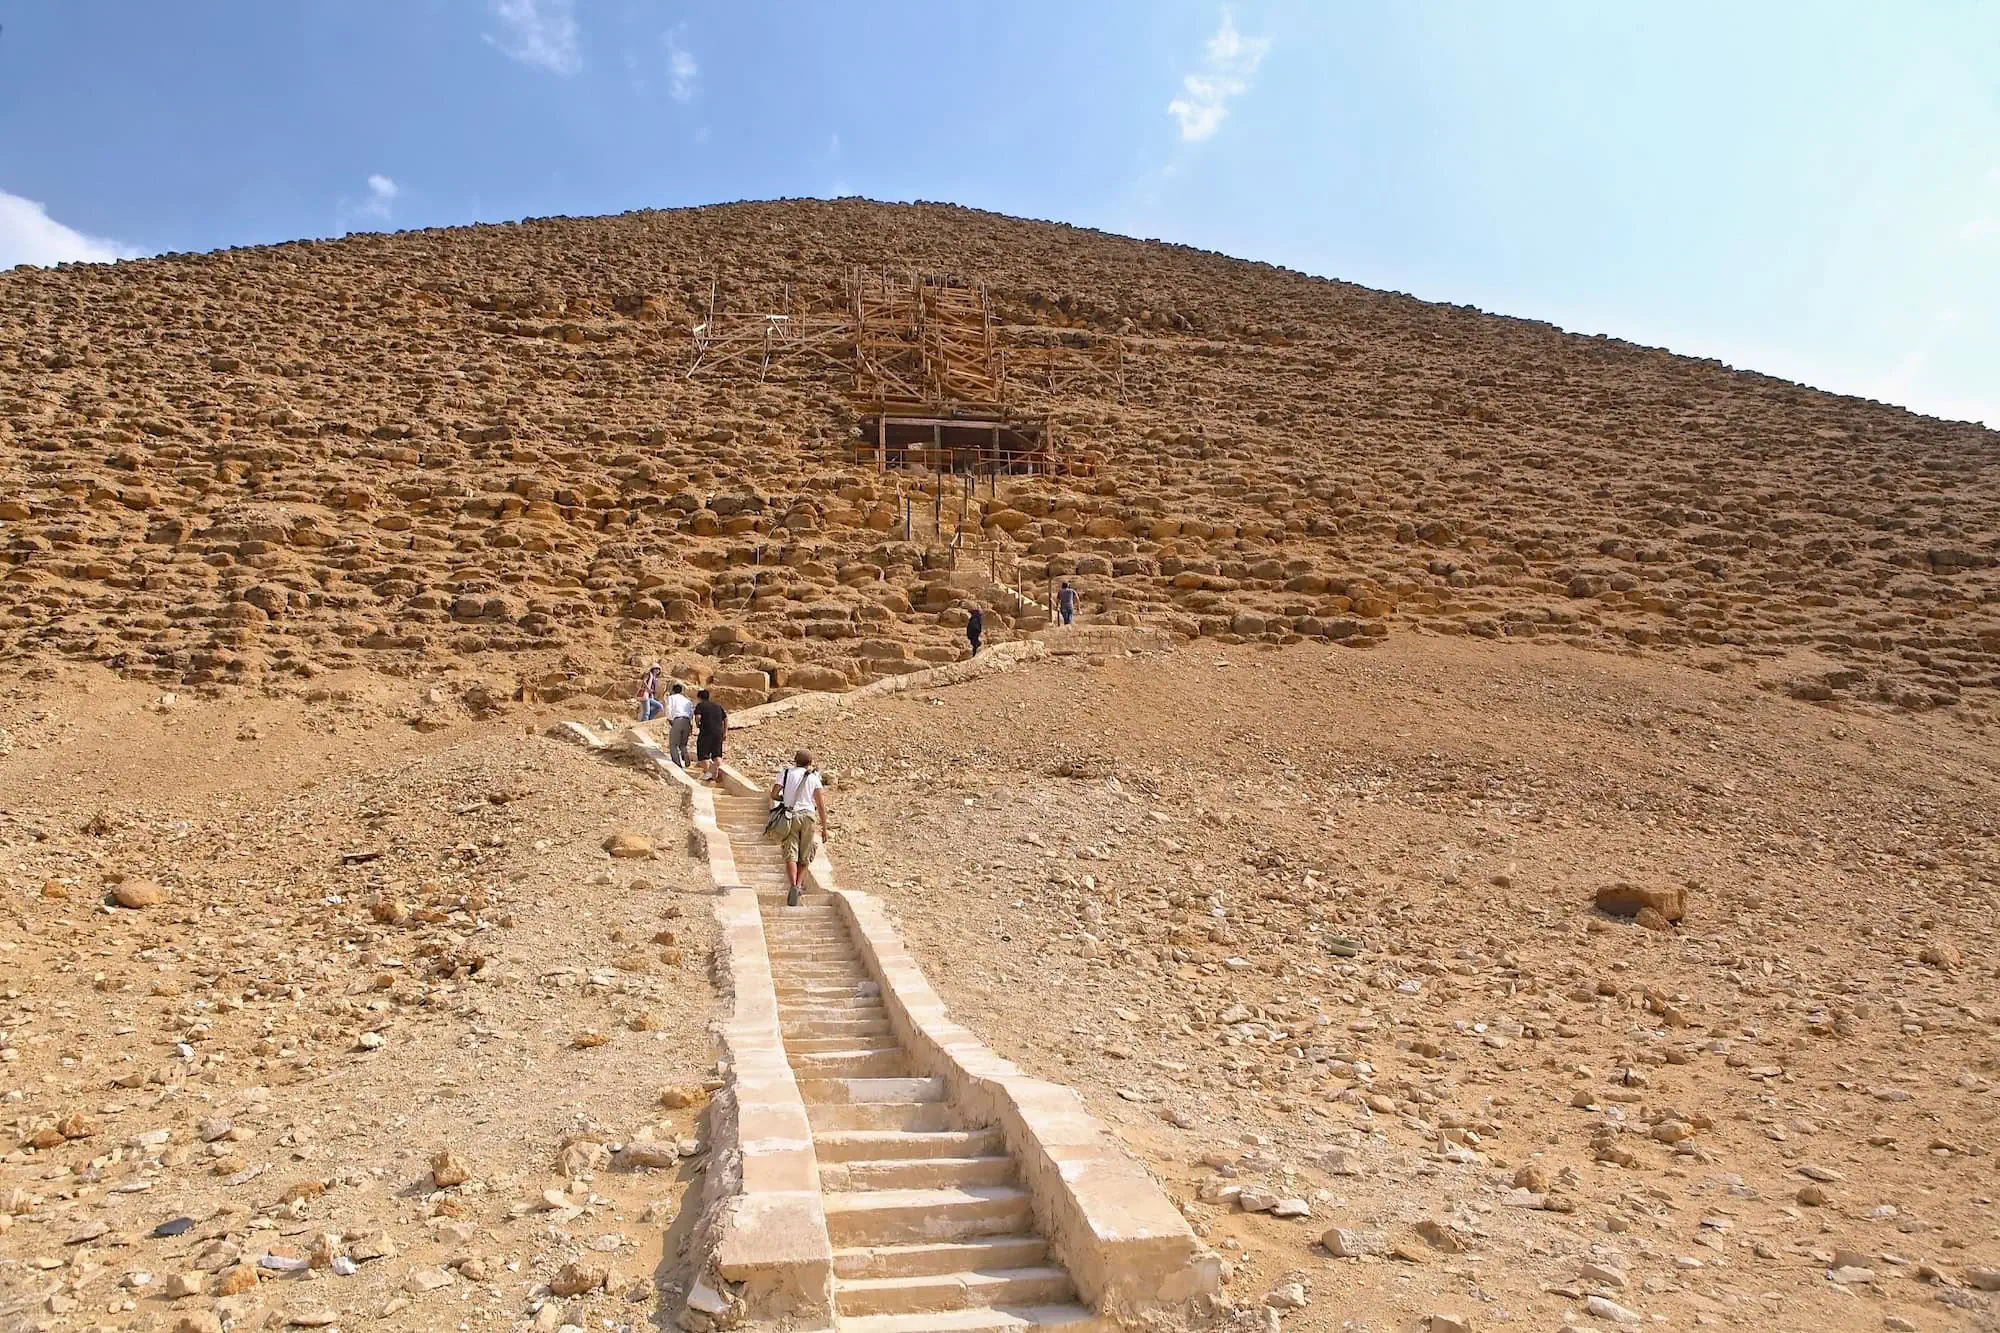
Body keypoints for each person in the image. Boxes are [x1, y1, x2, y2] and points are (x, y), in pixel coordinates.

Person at [770, 749, 828, 906]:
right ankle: (798, 884)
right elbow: (820, 804)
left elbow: (774, 794)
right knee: (806, 852)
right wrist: (824, 827)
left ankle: (793, 885)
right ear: (810, 763)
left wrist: (785, 799)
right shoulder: (813, 777)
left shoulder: (786, 773)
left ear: (795, 761)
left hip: (790, 816)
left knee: (790, 851)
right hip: (808, 816)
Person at [692, 687, 728, 782]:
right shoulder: (718, 706)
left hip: (706, 733)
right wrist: (725, 732)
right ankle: (714, 774)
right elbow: (725, 719)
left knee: (703, 756)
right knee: (717, 756)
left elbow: (698, 717)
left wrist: (697, 724)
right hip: (718, 733)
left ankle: (709, 774)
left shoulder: (700, 705)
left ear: (699, 698)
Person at [664, 682, 695, 767]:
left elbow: (668, 708)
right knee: (683, 744)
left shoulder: (671, 698)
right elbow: (691, 712)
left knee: (673, 744)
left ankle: (677, 763)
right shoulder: (687, 700)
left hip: (677, 720)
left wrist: (670, 719)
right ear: (681, 691)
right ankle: (686, 756)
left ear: (673, 690)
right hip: (687, 721)